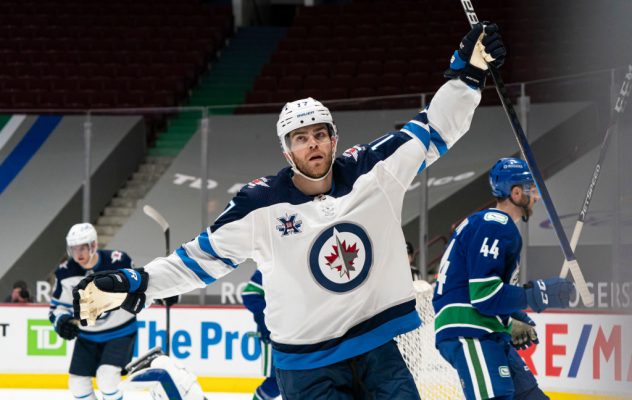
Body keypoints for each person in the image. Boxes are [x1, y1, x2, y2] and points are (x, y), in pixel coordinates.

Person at [73, 22, 507, 399]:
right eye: (301, 137)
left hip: (376, 349)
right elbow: (200, 259)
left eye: (320, 133)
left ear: (334, 140)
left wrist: (467, 74)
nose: (312, 143)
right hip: (306, 366)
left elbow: (435, 128)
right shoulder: (259, 204)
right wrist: (139, 281)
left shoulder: (372, 171)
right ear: (287, 149)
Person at [432, 157, 575, 400]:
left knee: (529, 395)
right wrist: (538, 293)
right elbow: (484, 294)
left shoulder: (490, 225)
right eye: (531, 190)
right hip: (470, 330)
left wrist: (512, 317)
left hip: (487, 329)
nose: (537, 197)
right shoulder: (496, 226)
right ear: (516, 192)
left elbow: (488, 290)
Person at [49, 223, 137, 400]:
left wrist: (164, 296)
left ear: (94, 246)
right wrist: (62, 321)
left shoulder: (119, 261)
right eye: (74, 249)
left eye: (83, 248)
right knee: (77, 384)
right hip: (87, 336)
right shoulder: (65, 273)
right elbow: (57, 308)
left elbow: (142, 286)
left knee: (108, 378)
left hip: (120, 332)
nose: (78, 254)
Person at [241, 269, 280, 400]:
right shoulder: (271, 265)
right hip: (272, 336)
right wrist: (269, 321)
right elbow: (249, 293)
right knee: (275, 383)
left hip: (295, 335)